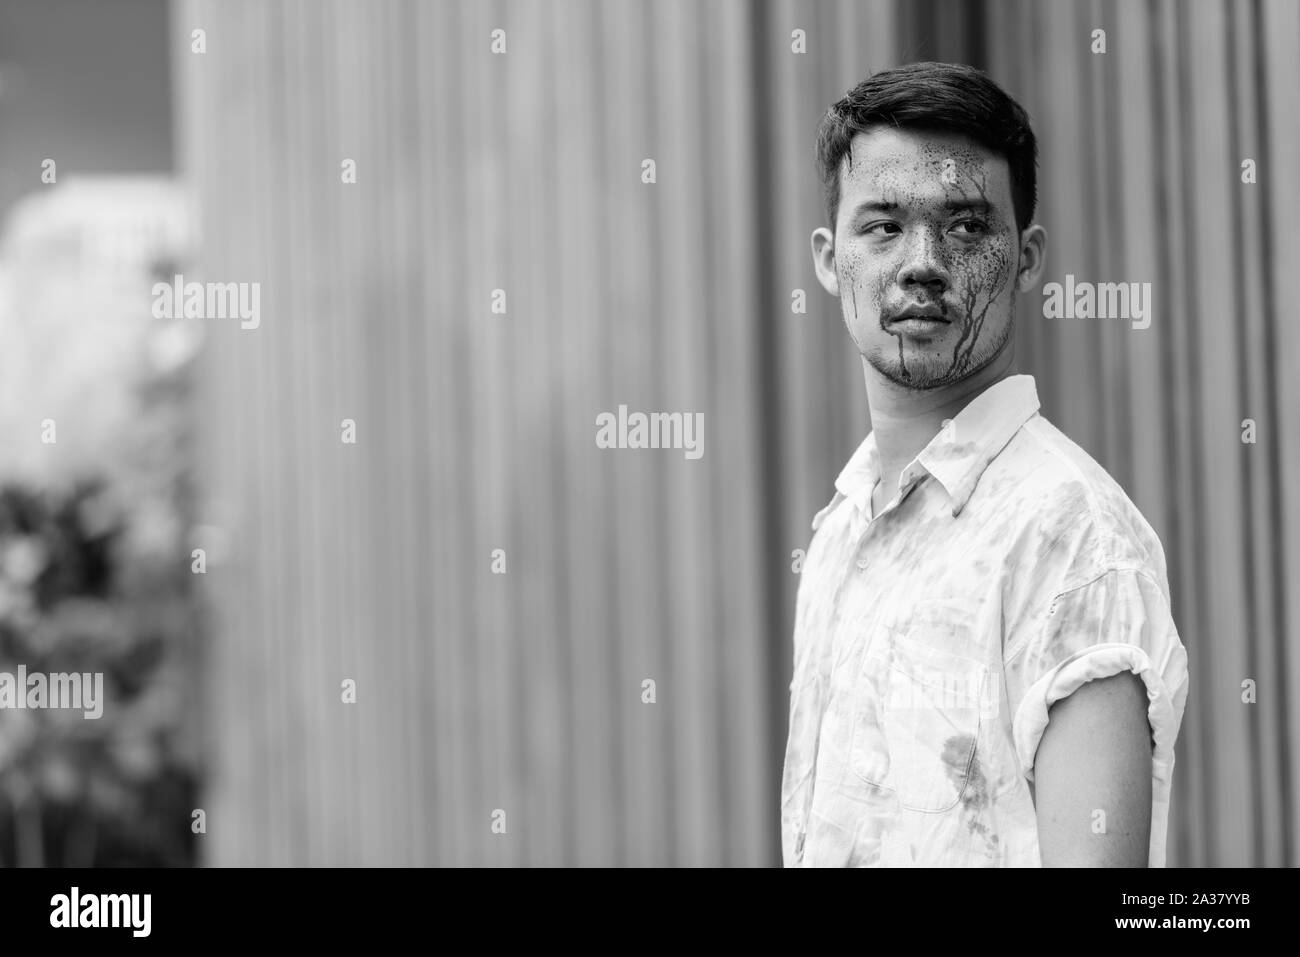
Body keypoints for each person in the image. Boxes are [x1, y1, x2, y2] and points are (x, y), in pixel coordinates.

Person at [781, 61, 1189, 867]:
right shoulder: (841, 529)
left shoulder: (1072, 538)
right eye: (884, 225)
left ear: (1029, 255)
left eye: (966, 225)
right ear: (830, 259)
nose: (923, 261)